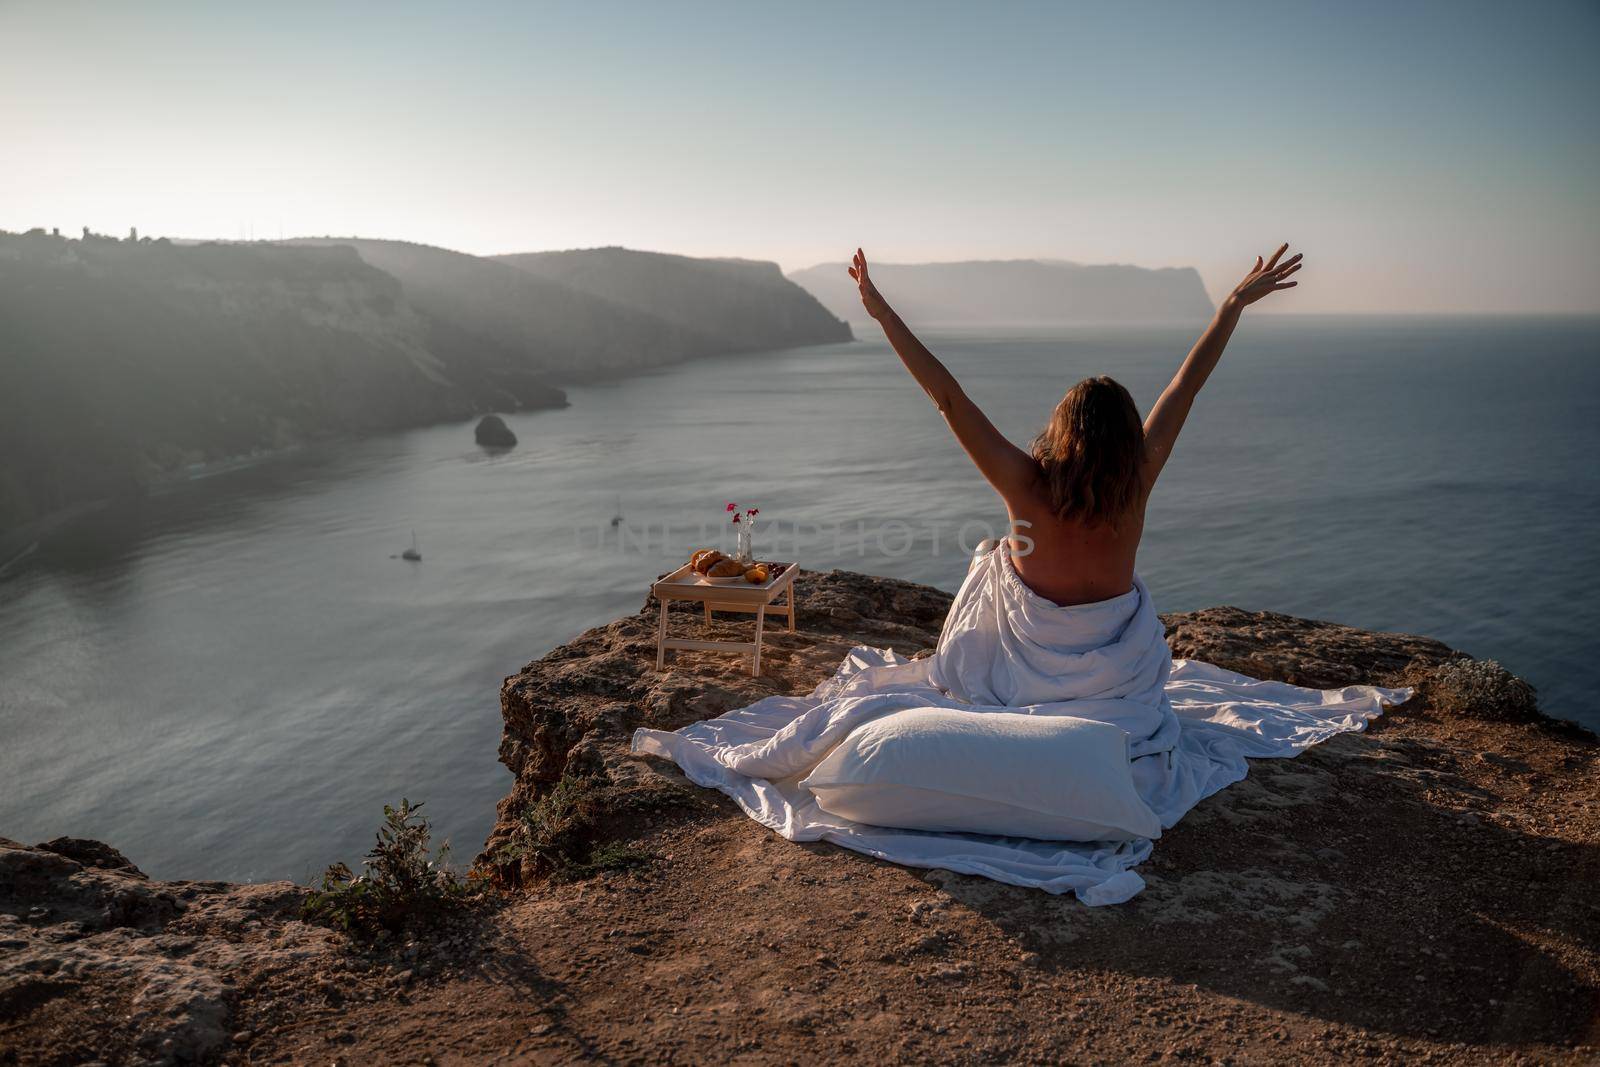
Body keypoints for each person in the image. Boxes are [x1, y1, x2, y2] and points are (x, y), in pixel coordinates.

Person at [847, 245, 1303, 607]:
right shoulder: (1136, 483)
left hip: (1030, 665)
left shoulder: (1026, 486)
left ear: (1063, 431)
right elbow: (1185, 387)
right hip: (1114, 667)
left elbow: (947, 399)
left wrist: (883, 315)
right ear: (1127, 435)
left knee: (990, 551)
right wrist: (1233, 305)